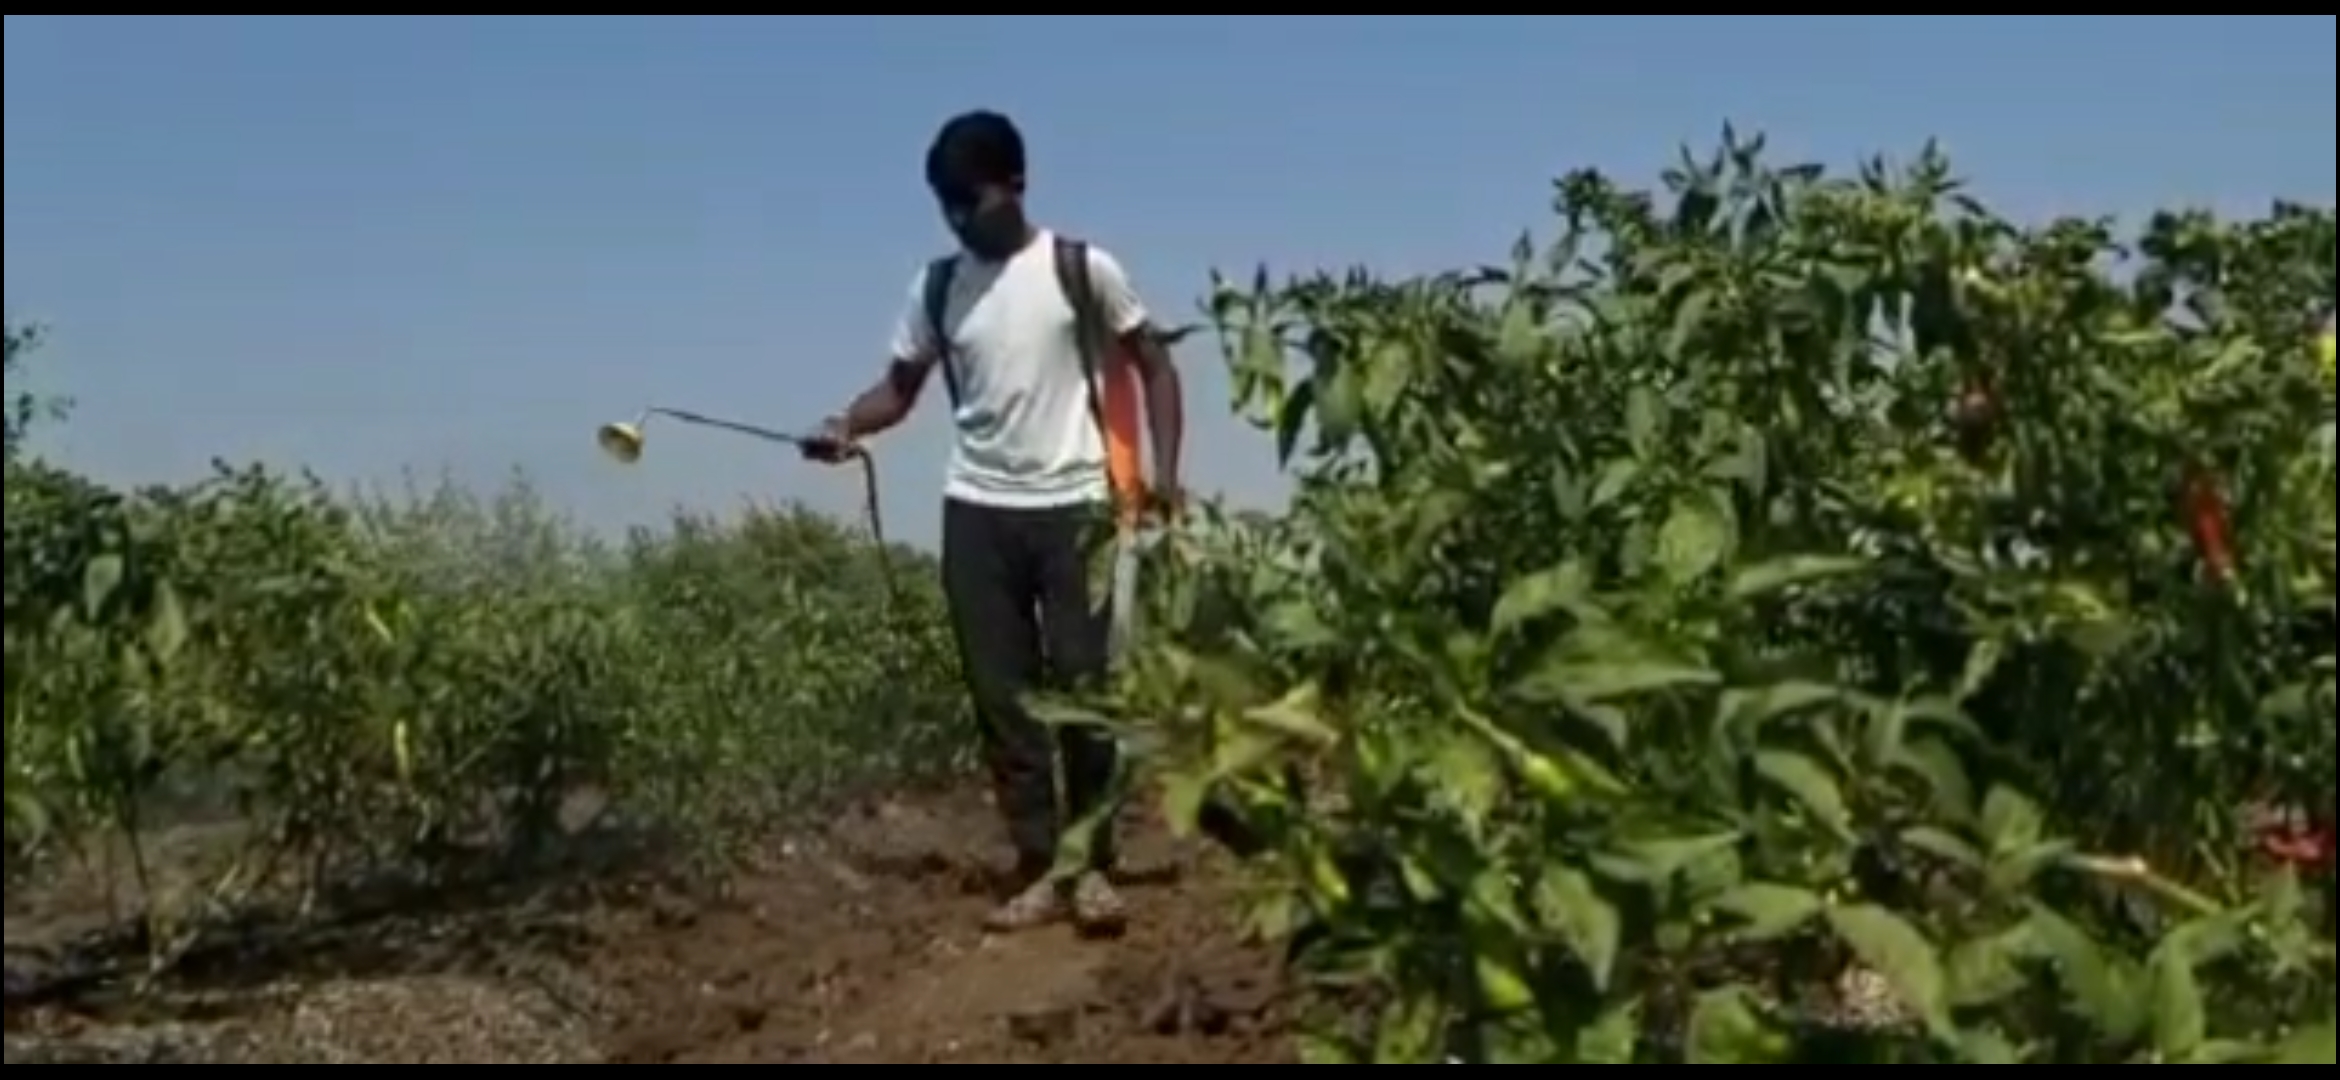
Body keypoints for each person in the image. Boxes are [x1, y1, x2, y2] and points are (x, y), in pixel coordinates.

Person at [804, 110, 1184, 933]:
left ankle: (1092, 866)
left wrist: (1164, 479)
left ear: (1015, 184)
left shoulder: (1082, 269)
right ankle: (1041, 866)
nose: (956, 219)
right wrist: (845, 425)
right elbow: (897, 391)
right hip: (977, 512)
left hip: (1077, 504)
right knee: (1003, 699)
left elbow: (1154, 363)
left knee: (1084, 688)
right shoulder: (937, 287)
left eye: (967, 201)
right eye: (944, 206)